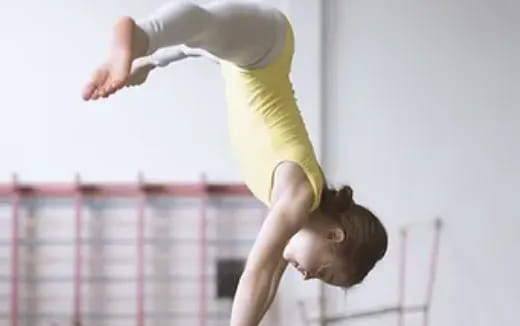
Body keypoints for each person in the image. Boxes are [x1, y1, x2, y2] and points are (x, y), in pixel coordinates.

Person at [81, 1, 388, 324]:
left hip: (246, 57)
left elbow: (268, 283)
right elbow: (258, 274)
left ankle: (144, 45)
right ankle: (139, 34)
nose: (309, 277)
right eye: (324, 272)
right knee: (205, 26)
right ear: (334, 236)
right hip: (267, 48)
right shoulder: (299, 197)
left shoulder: (296, 211)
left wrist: (154, 63)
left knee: (207, 35)